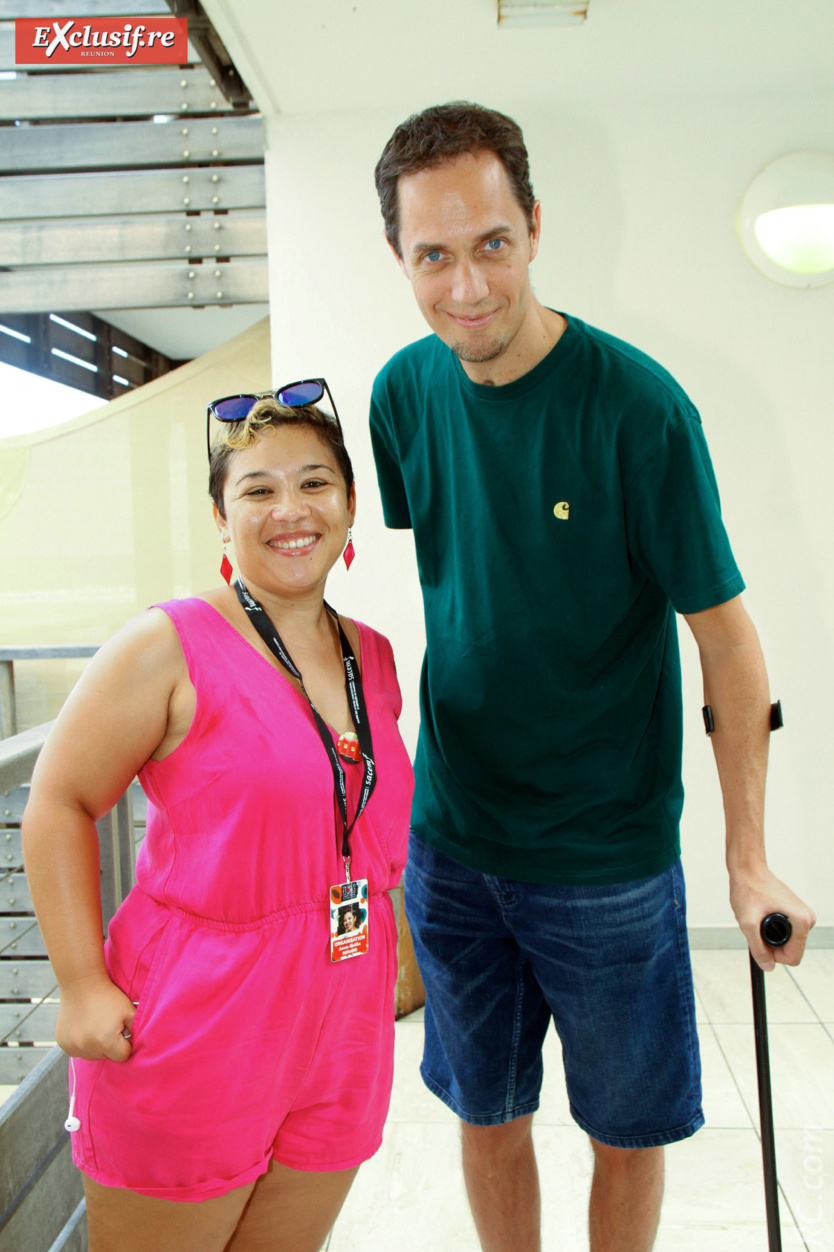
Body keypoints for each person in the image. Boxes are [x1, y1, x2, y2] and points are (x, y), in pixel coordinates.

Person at [369, 102, 815, 1252]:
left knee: (626, 1129)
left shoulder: (638, 409)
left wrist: (747, 853)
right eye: (433, 254)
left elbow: (725, 637)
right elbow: (467, 589)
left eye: (492, 243)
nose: (466, 284)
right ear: (400, 256)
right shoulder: (402, 396)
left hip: (604, 861)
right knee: (486, 1108)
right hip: (456, 843)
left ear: (534, 227)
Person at [22, 387, 414, 1252]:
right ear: (220, 516)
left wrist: (399, 951)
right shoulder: (168, 644)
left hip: (343, 1019)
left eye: (315, 483)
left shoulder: (372, 656)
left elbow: (367, 827)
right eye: (258, 490)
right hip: (203, 1013)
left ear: (350, 503)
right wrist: (82, 983)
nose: (291, 511)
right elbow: (58, 800)